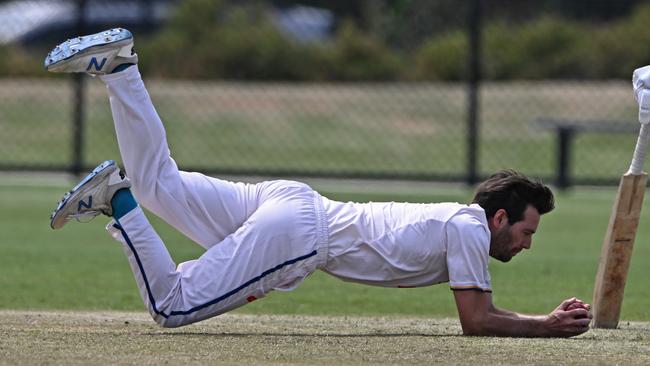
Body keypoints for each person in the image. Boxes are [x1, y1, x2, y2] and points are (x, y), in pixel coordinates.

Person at [46, 28, 592, 337]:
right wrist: (546, 325)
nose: (526, 243)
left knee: (157, 183)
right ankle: (117, 203)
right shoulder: (471, 232)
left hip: (295, 203)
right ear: (499, 217)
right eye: (526, 231)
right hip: (302, 235)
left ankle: (118, 68)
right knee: (172, 306)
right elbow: (477, 321)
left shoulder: (457, 223)